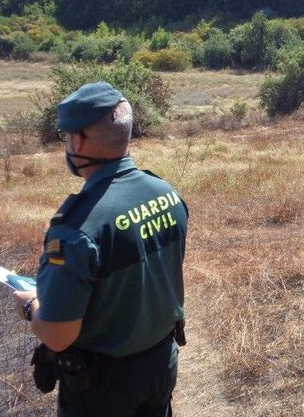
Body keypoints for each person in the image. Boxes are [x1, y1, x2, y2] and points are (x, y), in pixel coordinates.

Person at [11, 81, 189, 416]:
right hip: (162, 364)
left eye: (66, 137)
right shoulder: (167, 193)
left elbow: (59, 335)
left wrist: (30, 305)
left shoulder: (76, 229)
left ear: (78, 140)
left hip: (103, 386)